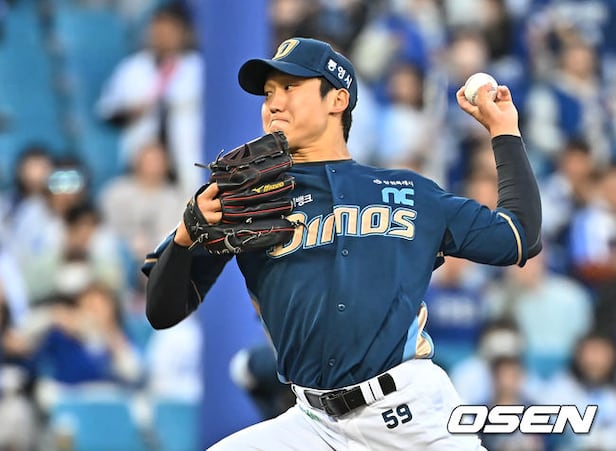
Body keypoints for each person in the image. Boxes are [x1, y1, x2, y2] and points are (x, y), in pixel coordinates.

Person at [142, 37, 542, 450]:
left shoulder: (409, 193)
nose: (274, 103)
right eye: (268, 93)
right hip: (314, 422)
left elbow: (518, 237)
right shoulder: (245, 200)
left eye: (290, 87)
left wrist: (504, 131)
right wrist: (185, 237)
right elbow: (162, 311)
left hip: (410, 413)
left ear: (337, 99)